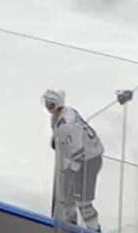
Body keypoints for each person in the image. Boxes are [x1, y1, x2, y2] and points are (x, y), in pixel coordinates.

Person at [42, 89, 103, 231]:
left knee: (83, 203)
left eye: (48, 103)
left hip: (88, 162)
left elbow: (78, 153)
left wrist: (71, 173)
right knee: (68, 199)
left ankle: (94, 229)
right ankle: (72, 226)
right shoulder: (68, 111)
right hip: (88, 157)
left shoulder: (65, 125)